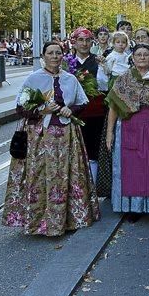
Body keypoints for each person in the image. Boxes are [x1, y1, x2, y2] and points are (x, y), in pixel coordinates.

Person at [2, 41, 99, 236]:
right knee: (40, 174)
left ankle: (69, 218)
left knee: (67, 174)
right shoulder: (33, 79)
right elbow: (20, 108)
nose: (55, 56)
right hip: (40, 136)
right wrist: (42, 110)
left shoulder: (70, 79)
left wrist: (69, 109)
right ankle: (40, 220)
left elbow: (82, 103)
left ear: (63, 56)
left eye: (58, 53)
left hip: (67, 135)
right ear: (43, 57)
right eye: (50, 53)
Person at [105, 44, 149, 223]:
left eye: (146, 54)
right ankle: (133, 208)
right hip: (130, 126)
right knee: (132, 169)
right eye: (139, 54)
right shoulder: (123, 80)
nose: (142, 57)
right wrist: (110, 133)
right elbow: (113, 107)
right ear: (133, 58)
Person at [65, 27, 107, 183]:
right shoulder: (66, 62)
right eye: (80, 40)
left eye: (87, 40)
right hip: (71, 113)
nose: (84, 44)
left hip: (95, 113)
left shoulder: (99, 60)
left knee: (93, 151)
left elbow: (104, 86)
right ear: (74, 43)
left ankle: (93, 188)